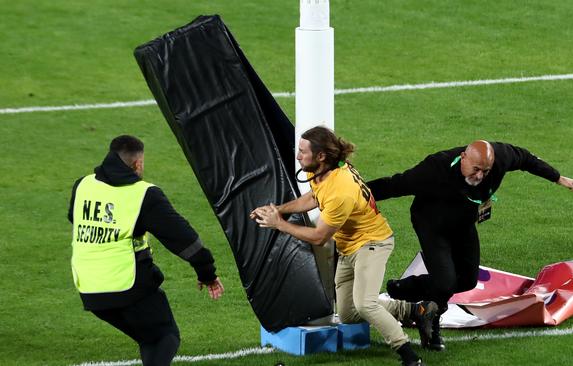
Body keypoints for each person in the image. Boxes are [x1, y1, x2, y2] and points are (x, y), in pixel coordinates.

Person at [367, 140, 573, 351]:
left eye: (485, 171)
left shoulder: (500, 157)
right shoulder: (435, 168)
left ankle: (405, 289)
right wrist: (355, 193)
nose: (479, 176)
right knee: (445, 282)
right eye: (476, 169)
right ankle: (430, 322)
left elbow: (526, 158)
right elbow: (395, 184)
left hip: (463, 224)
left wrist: (557, 177)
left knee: (468, 280)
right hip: (432, 225)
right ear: (463, 158)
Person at [250, 126, 437, 366]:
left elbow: (319, 236)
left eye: (302, 152)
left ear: (321, 156)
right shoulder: (326, 171)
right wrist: (279, 210)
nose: (298, 156)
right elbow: (314, 197)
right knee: (349, 314)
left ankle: (408, 355)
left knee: (366, 304)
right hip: (349, 247)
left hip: (372, 244)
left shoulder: (341, 190)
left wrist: (279, 224)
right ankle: (417, 312)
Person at [68, 135, 225, 366]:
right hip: (126, 285)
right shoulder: (143, 194)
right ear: (138, 164)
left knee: (149, 336)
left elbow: (75, 218)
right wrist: (207, 274)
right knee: (164, 336)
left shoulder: (83, 185)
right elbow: (184, 240)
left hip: (89, 288)